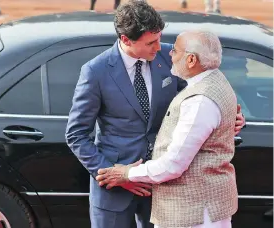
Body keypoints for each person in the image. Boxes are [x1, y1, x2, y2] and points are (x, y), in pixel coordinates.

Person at [65, 1, 245, 227]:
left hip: (162, 186)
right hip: (113, 189)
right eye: (151, 42)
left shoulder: (172, 57)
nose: (160, 47)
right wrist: (113, 174)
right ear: (126, 40)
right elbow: (76, 134)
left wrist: (229, 118)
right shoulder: (95, 71)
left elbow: (201, 94)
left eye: (159, 38)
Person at [96, 30, 238, 228]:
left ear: (191, 60)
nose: (169, 54)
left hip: (192, 212)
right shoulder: (214, 80)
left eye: (175, 51)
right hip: (204, 208)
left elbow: (173, 165)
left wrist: (127, 174)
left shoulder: (199, 101)